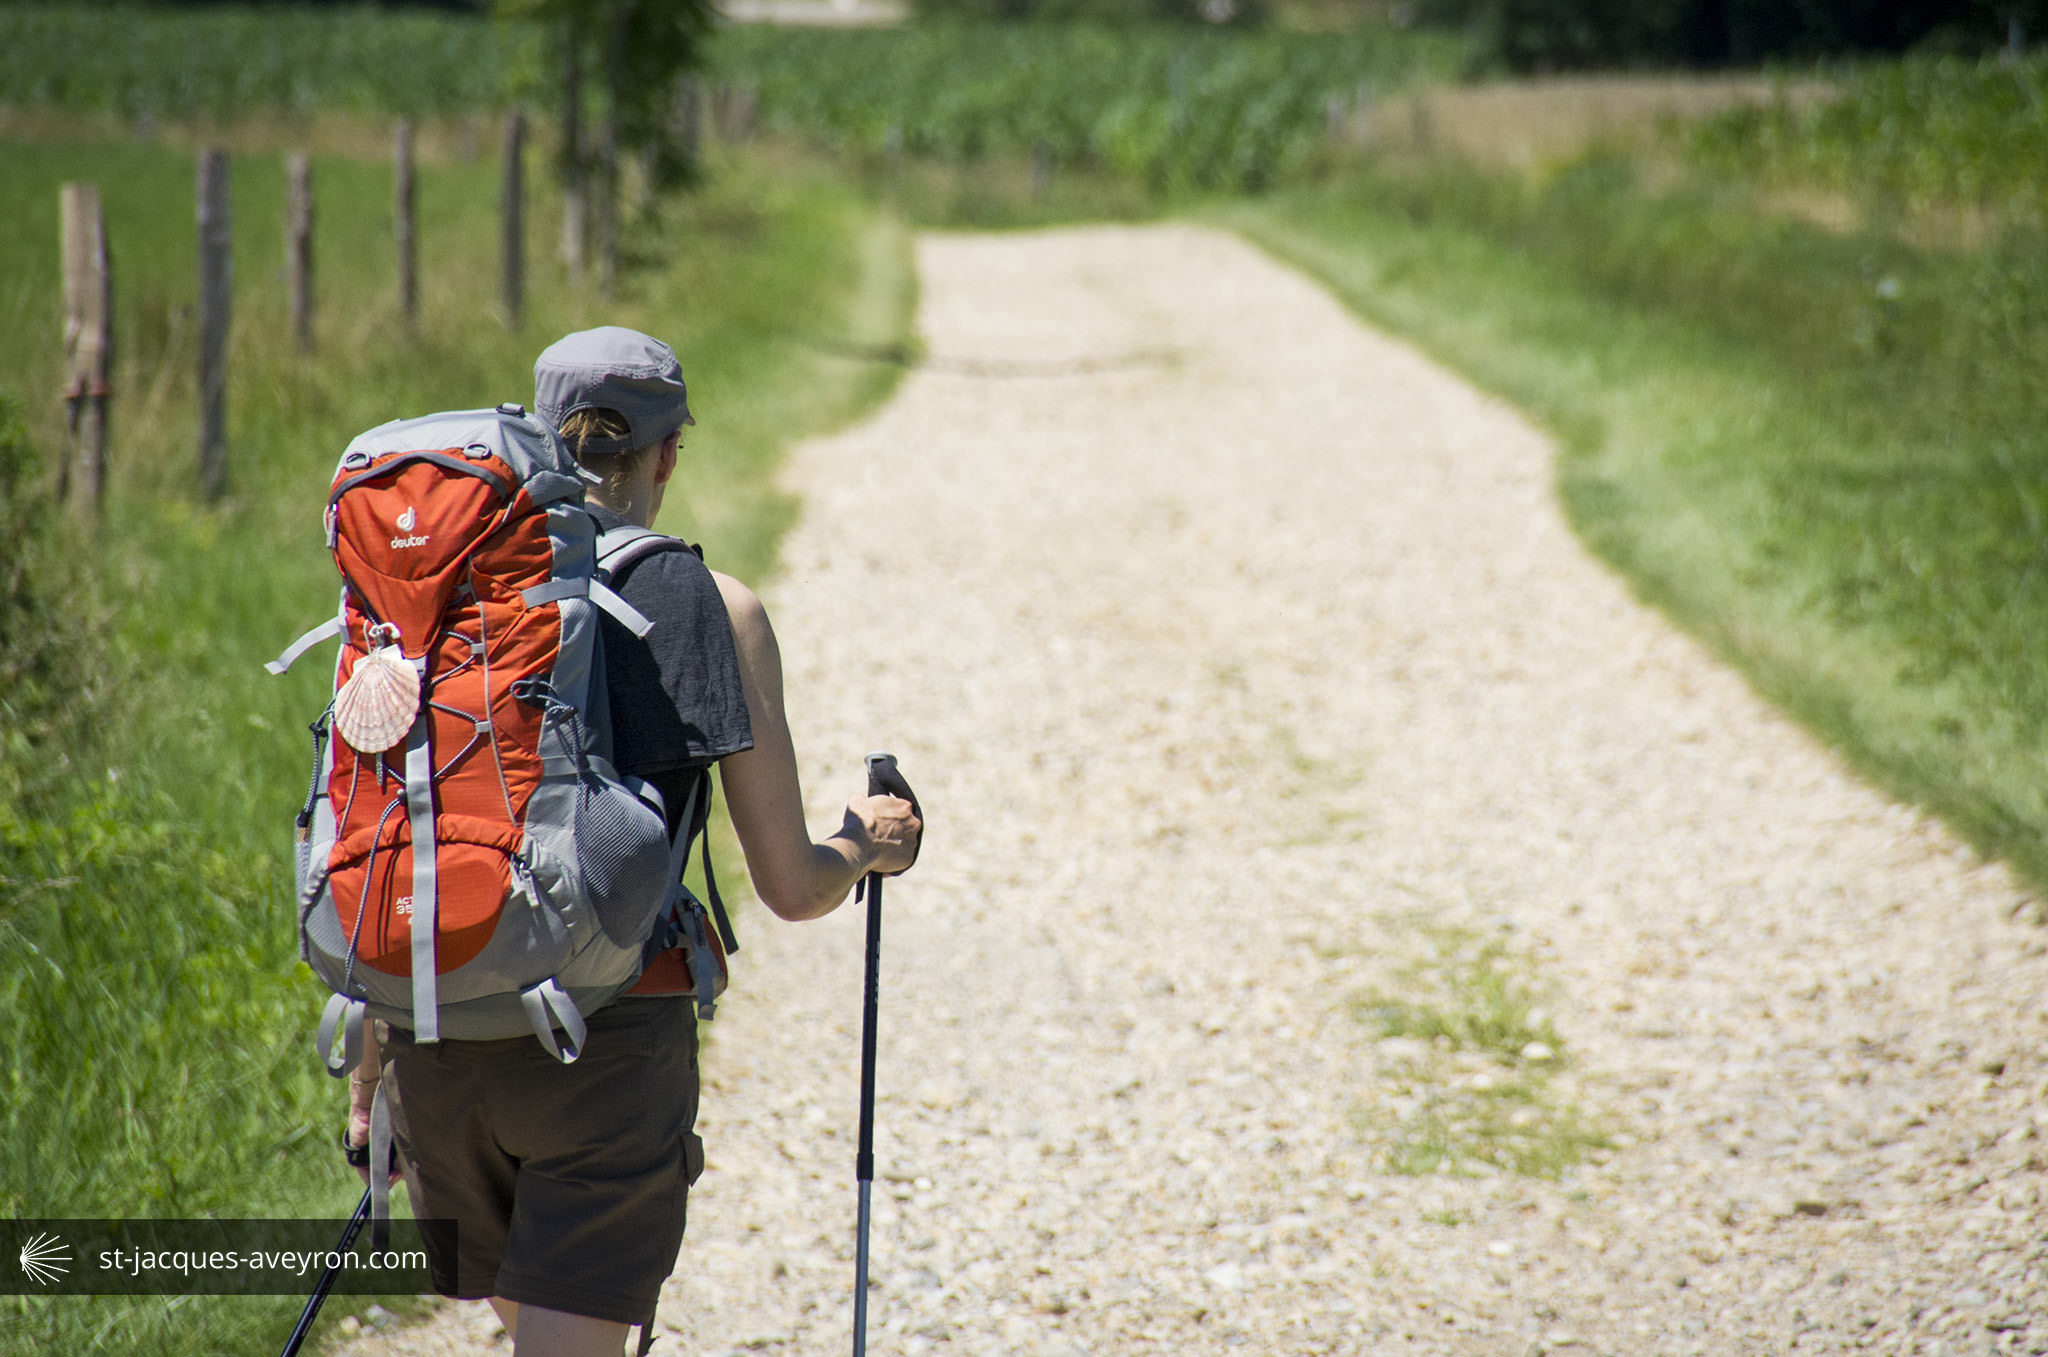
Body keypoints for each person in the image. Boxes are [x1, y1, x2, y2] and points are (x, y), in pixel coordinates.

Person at [343, 327, 922, 1357]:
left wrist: (367, 1079)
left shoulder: (438, 598)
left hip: (432, 1040)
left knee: (533, 1320)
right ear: (666, 454)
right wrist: (866, 842)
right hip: (603, 1050)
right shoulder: (710, 605)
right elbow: (788, 885)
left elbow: (388, 821)